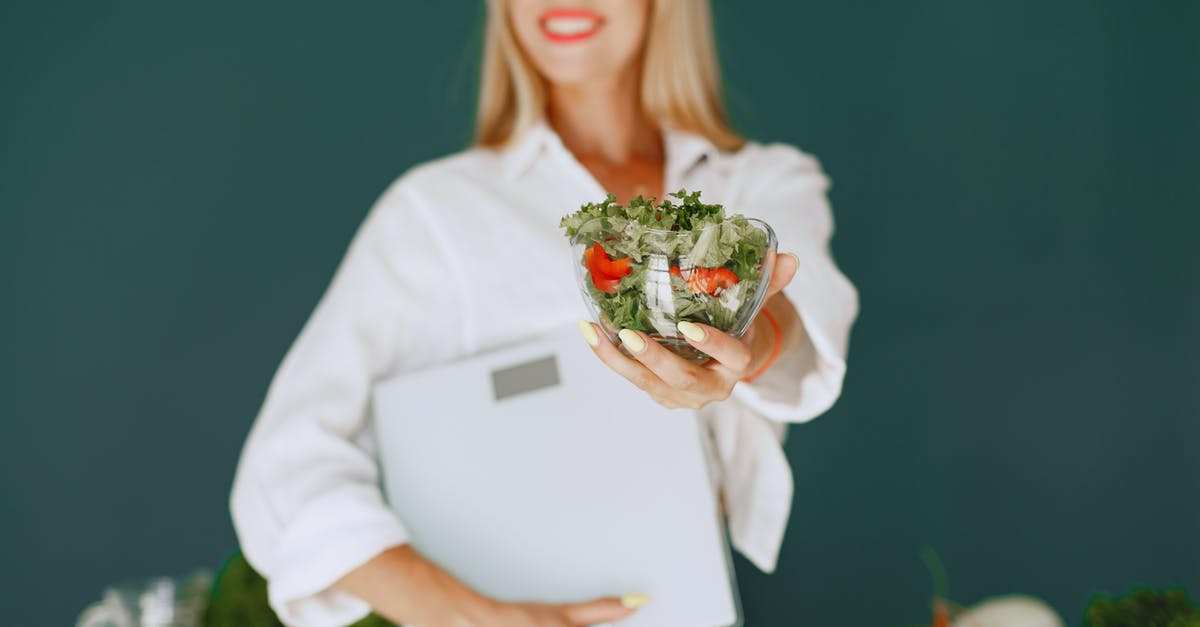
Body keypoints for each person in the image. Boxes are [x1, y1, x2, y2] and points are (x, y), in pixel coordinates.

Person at [229, 0, 859, 625]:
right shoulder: (438, 214)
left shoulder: (761, 186)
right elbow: (284, 466)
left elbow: (806, 332)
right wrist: (464, 618)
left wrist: (753, 340)